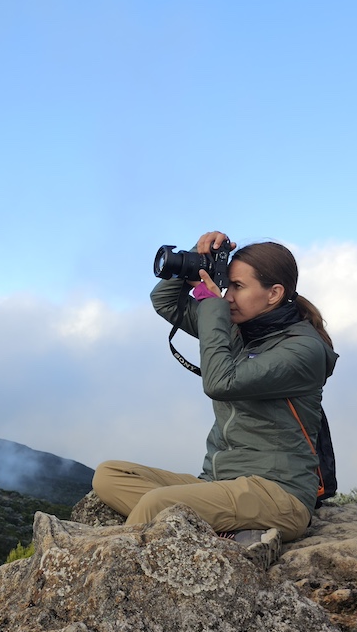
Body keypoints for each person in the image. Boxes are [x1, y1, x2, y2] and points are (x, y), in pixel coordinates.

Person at [92, 231, 337, 551]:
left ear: (274, 293)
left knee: (156, 504)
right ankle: (227, 530)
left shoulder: (303, 349)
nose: (227, 296)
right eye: (227, 285)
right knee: (109, 475)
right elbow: (165, 301)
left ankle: (129, 567)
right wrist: (198, 257)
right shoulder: (238, 329)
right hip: (221, 482)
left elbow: (221, 383)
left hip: (279, 493)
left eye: (238, 287)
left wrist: (210, 306)